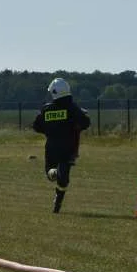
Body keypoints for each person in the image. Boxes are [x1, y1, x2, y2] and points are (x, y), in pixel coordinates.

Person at [32, 77, 91, 214]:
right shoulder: (72, 108)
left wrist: (50, 130)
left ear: (54, 92)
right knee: (63, 178)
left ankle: (55, 174)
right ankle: (58, 199)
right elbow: (86, 123)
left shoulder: (46, 109)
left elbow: (36, 126)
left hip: (51, 146)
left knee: (50, 173)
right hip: (70, 147)